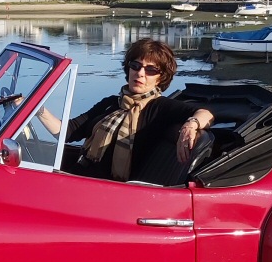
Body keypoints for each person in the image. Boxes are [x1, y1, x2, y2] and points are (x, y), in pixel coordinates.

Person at [37, 38, 214, 182]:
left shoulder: (159, 107)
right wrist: (37, 108)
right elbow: (68, 132)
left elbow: (206, 113)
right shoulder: (112, 103)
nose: (140, 73)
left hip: (112, 192)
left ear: (162, 78)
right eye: (136, 66)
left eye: (151, 70)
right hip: (80, 176)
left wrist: (191, 125)